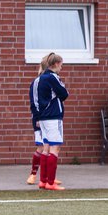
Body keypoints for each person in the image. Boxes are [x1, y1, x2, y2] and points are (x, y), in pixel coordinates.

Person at [29, 53, 68, 191]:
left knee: (45, 149)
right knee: (54, 148)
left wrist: (37, 117)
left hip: (42, 118)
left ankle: (43, 181)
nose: (61, 68)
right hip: (53, 116)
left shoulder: (36, 80)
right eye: (61, 65)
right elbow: (64, 94)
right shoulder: (52, 77)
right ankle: (50, 182)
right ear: (56, 64)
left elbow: (33, 101)